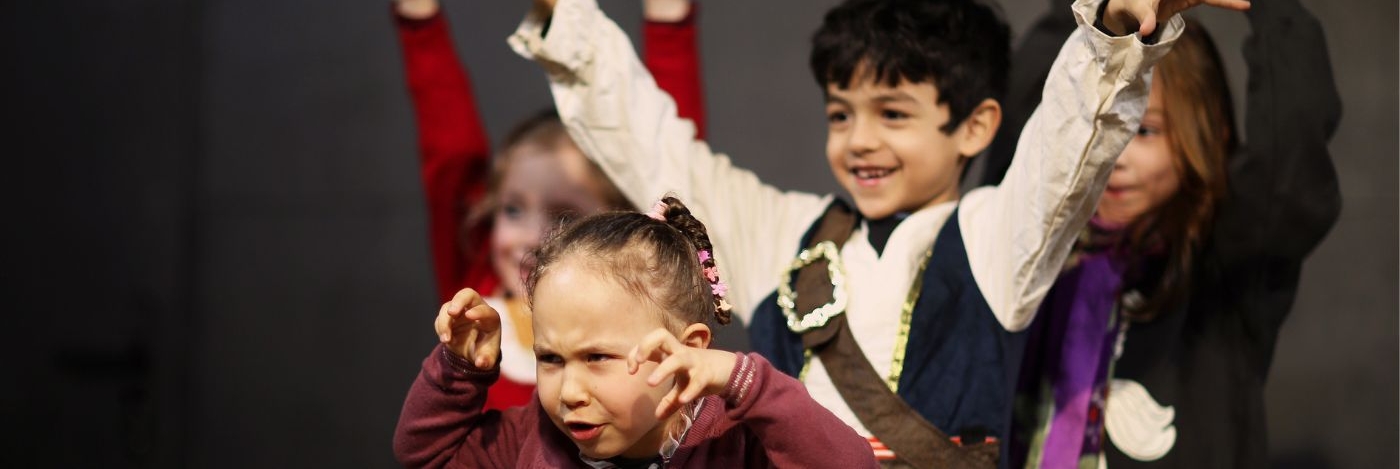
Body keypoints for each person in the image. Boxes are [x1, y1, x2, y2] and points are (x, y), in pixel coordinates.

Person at [509, 0, 1253, 466]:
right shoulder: (784, 232)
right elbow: (652, 146)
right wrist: (566, 19)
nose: (860, 139)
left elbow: (1069, 152)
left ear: (975, 127)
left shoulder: (996, 238)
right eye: (841, 113)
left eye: (893, 114)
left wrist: (1114, 35)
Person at [1005, 0, 1342, 467]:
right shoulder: (1029, 238)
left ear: (1210, 133)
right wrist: (1101, 15)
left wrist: (1270, 8)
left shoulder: (1224, 257)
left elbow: (1290, 157)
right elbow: (1035, 105)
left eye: (1144, 131)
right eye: (1105, 129)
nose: (1116, 156)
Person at [392, 196, 879, 468]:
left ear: (688, 351)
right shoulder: (532, 438)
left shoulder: (739, 444)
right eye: (551, 359)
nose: (571, 391)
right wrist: (458, 370)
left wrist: (746, 383)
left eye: (598, 357)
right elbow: (427, 456)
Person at [391, 0, 707, 409]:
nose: (530, 237)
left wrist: (669, 22)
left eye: (563, 217)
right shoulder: (472, 305)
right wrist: (419, 21)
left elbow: (669, 156)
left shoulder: (642, 318)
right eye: (512, 209)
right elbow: (450, 151)